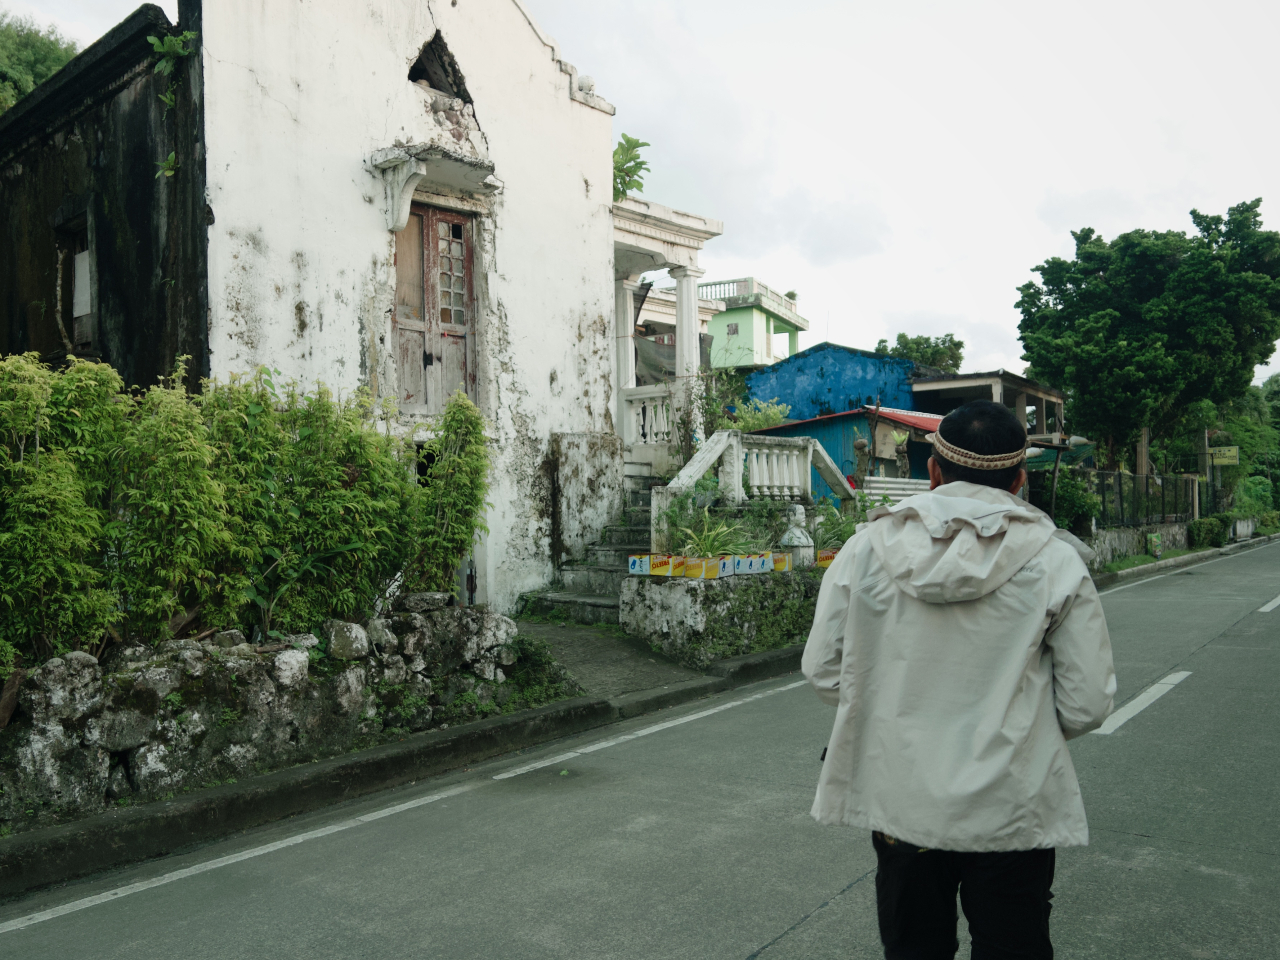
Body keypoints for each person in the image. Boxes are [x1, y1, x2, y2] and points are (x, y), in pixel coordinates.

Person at [802, 399, 1116, 960]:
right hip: (1010, 804)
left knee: (914, 947)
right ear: (1019, 480)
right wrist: (1016, 732)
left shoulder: (865, 550)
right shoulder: (1054, 561)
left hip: (902, 801)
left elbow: (824, 670)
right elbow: (1087, 703)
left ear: (933, 471)